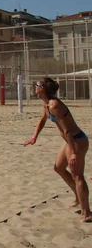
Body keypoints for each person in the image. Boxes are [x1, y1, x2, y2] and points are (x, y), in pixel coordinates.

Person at [24, 77, 91, 223]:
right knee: (59, 168)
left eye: (37, 85)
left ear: (43, 88)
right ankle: (78, 197)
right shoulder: (46, 103)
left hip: (77, 140)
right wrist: (34, 137)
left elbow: (67, 130)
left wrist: (73, 152)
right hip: (70, 141)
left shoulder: (54, 104)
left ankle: (87, 213)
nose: (35, 86)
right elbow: (42, 120)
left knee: (77, 175)